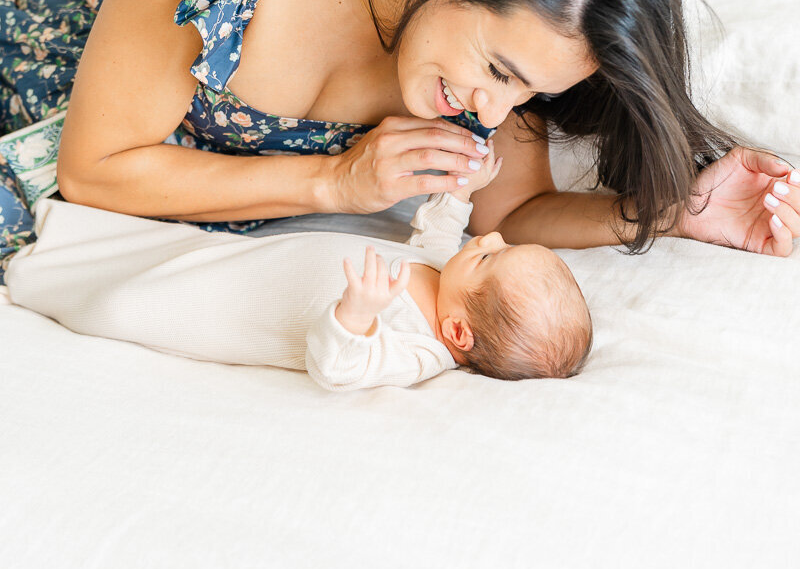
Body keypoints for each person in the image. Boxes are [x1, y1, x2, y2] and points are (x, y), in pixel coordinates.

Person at [1, 0, 798, 283]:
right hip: (30, 103)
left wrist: (673, 211)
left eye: (526, 97)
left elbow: (511, 214)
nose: (494, 113)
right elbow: (94, 168)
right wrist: (334, 181)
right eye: (500, 73)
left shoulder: (505, 45)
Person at [5, 139, 592, 390]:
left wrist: (356, 316)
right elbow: (436, 230)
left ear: (458, 333)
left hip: (226, 306)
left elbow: (340, 369)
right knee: (149, 247)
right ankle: (49, 232)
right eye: (501, 241)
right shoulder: (443, 279)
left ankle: (24, 265)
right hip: (245, 260)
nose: (487, 236)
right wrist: (466, 188)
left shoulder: (420, 350)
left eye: (489, 258)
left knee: (126, 296)